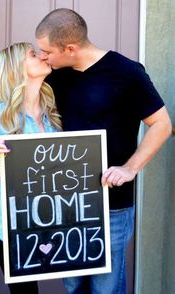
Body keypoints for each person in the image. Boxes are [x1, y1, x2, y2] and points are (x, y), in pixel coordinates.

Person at [35, 8, 172, 294]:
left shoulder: (126, 72)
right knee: (74, 285)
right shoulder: (55, 77)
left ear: (70, 48)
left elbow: (161, 124)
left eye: (47, 51)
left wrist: (130, 168)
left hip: (112, 204)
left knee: (106, 288)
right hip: (68, 204)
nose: (43, 56)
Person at [0, 42, 62, 293]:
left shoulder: (51, 112)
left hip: (47, 217)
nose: (42, 56)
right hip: (9, 224)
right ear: (16, 69)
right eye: (33, 54)